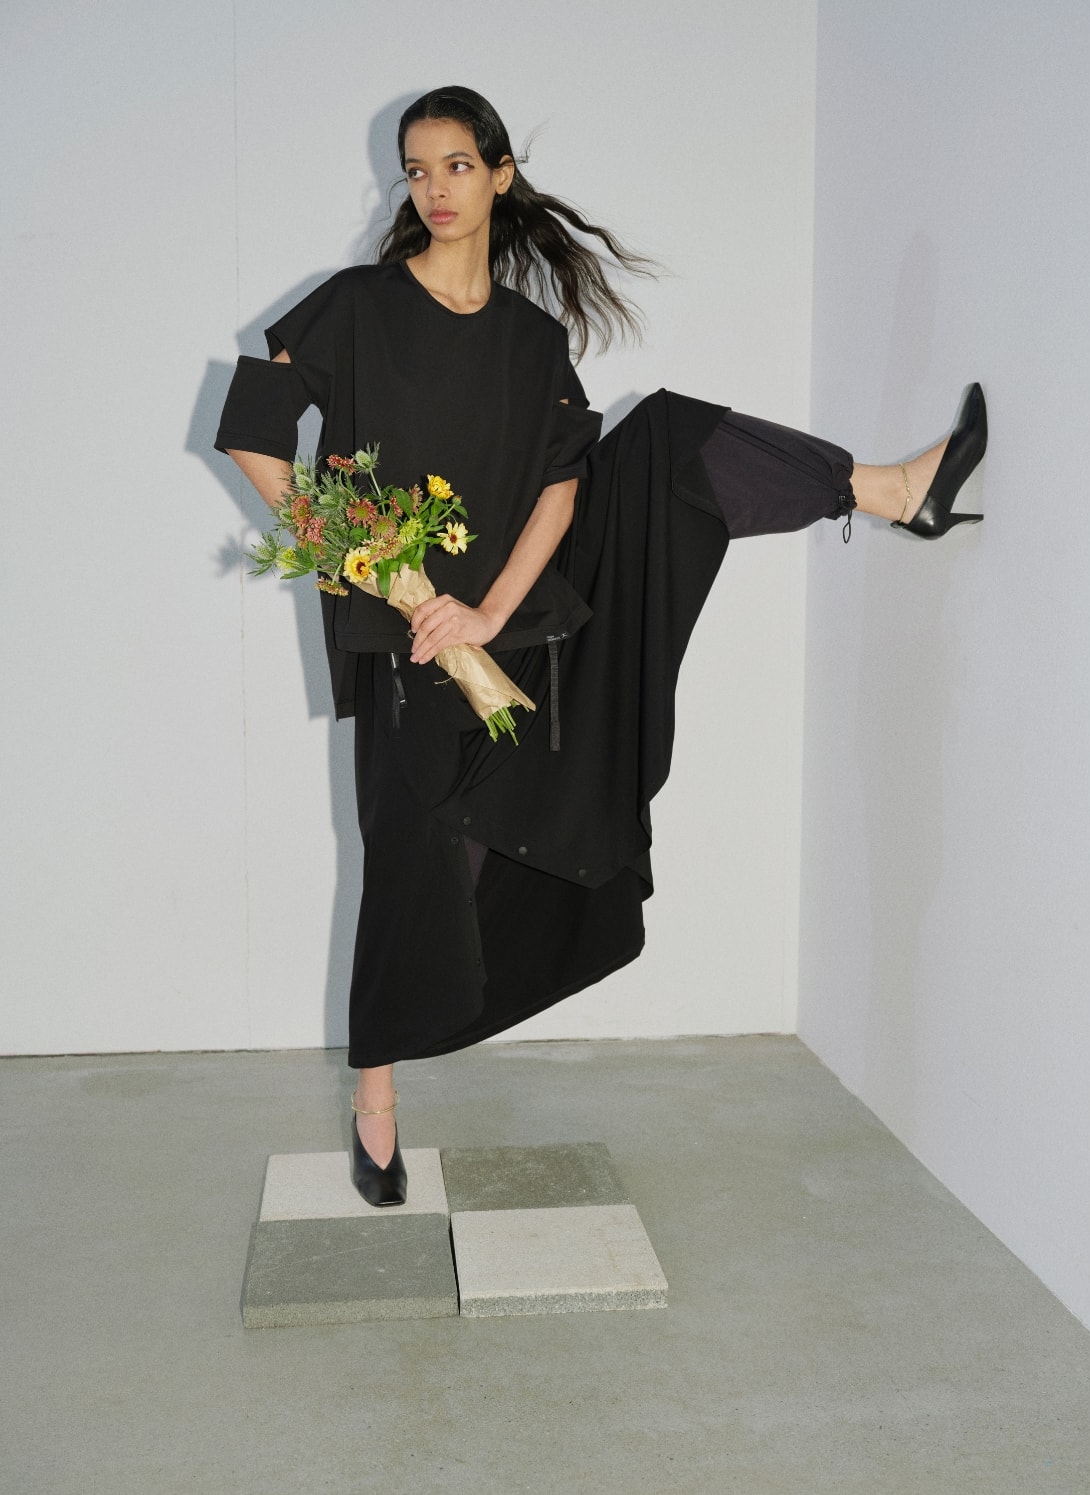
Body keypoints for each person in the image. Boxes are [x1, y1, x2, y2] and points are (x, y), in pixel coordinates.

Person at [216, 86, 987, 1208]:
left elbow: (562, 488)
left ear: (500, 175)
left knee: (663, 438)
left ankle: (894, 490)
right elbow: (252, 435)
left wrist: (489, 614)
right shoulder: (356, 306)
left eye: (457, 166)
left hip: (520, 628)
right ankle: (375, 1100)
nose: (435, 190)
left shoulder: (532, 339)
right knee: (408, 857)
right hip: (402, 644)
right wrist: (362, 558)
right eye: (416, 171)